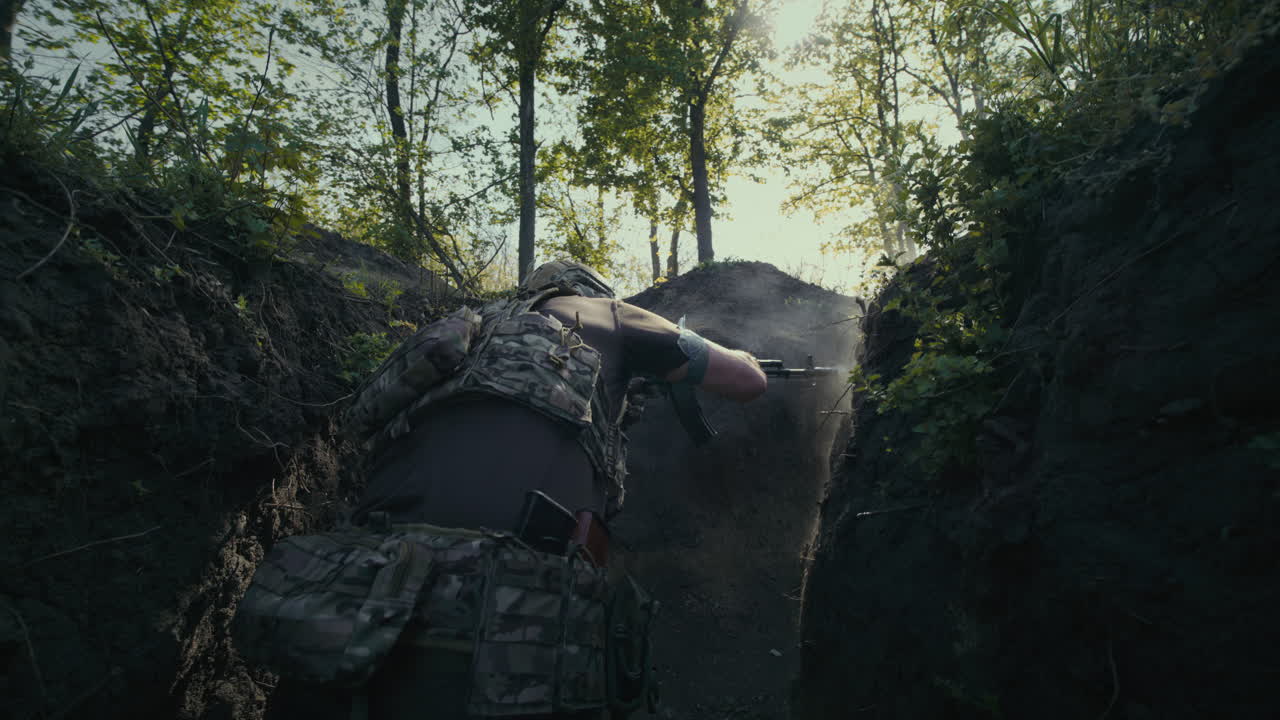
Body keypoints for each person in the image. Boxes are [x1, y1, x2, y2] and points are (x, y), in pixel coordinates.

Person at [238, 259, 766, 720]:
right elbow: (746, 381)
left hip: (345, 614)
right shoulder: (605, 315)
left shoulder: (454, 338)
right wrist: (742, 356)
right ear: (589, 293)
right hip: (498, 635)